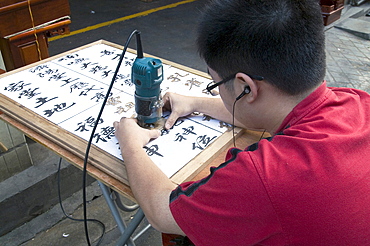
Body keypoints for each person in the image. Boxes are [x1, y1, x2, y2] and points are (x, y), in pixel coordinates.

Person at [113, 0, 370, 245]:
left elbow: (161, 212)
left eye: (216, 83)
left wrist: (131, 145)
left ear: (245, 87)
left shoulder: (263, 178)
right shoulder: (357, 101)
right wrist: (196, 103)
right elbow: (268, 110)